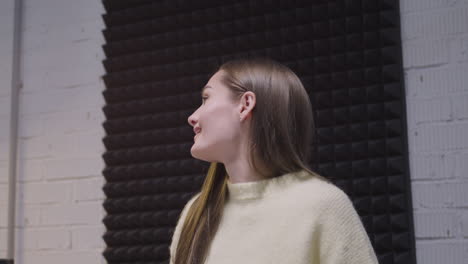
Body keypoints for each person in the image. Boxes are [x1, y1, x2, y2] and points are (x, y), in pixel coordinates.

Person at [169, 57, 379, 264]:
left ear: (245, 105)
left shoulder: (323, 205)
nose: (193, 117)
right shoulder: (196, 212)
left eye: (206, 98)